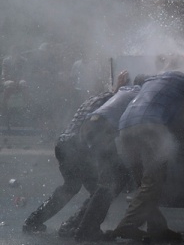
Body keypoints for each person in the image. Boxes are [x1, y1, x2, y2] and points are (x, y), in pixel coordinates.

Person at [107, 52, 184, 241]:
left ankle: (157, 228)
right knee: (152, 183)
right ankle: (128, 225)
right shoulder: (178, 77)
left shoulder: (151, 80)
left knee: (145, 184)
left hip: (125, 127)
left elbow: (134, 82)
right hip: (149, 127)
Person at [22, 71, 129, 234]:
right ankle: (71, 225)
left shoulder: (95, 98)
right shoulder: (111, 100)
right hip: (77, 146)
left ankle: (34, 220)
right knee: (97, 192)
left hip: (64, 143)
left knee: (70, 187)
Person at [73, 73, 147, 241]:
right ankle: (86, 228)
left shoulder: (126, 90)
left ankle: (81, 224)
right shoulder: (139, 96)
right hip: (101, 131)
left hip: (92, 127)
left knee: (115, 178)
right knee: (110, 181)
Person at [2, 45, 30, 115]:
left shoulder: (24, 61)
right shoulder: (6, 61)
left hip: (20, 80)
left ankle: (28, 106)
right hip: (8, 80)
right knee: (10, 85)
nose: (15, 54)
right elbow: (4, 73)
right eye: (14, 52)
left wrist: (19, 80)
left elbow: (25, 73)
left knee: (23, 84)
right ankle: (4, 107)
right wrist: (11, 79)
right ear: (11, 52)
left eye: (17, 52)